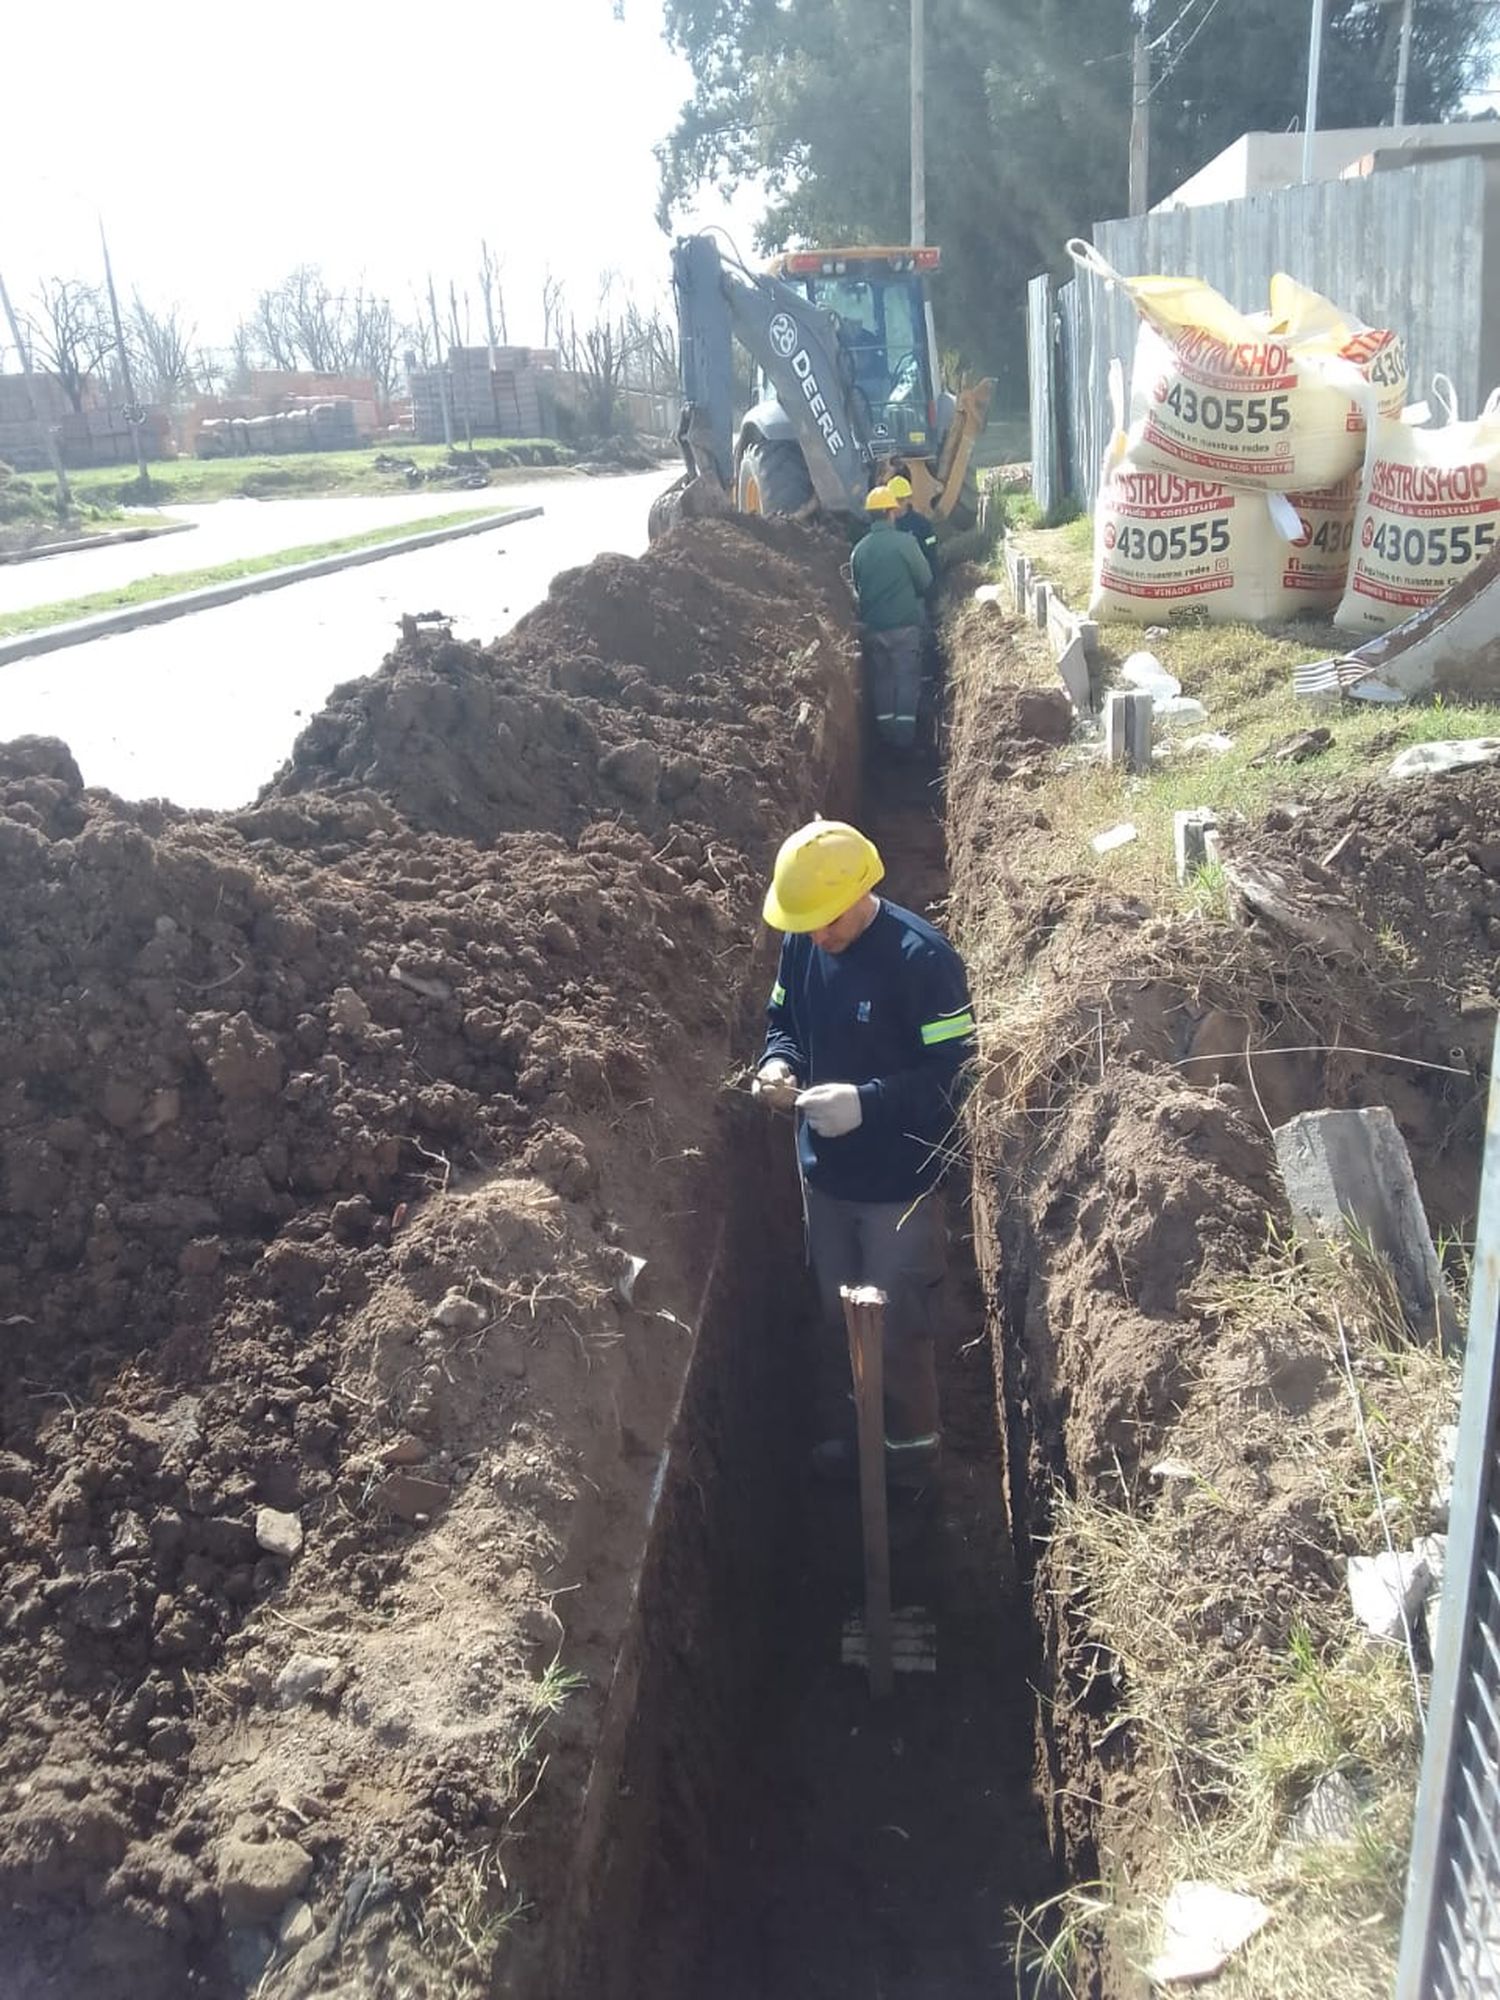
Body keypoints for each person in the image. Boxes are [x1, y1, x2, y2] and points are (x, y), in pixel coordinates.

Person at [752, 819, 977, 1487]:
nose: (816, 936)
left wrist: (869, 1102)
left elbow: (958, 1077)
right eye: (807, 924)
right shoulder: (803, 939)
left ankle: (910, 1478)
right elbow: (784, 1022)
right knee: (840, 1319)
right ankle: (861, 1446)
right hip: (826, 1183)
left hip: (898, 1190)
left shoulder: (924, 962)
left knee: (898, 1335)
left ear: (860, 893)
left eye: (826, 921)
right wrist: (777, 1065)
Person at [850, 486, 931, 751]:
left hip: (873, 628)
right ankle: (904, 739)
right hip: (905, 625)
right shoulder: (905, 543)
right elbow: (925, 579)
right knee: (906, 677)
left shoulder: (859, 551)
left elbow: (857, 588)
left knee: (883, 678)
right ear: (890, 512)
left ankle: (886, 734)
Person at [886, 473, 939, 580]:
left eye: (900, 500)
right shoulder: (885, 526)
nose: (896, 505)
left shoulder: (922, 524)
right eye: (893, 500)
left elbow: (931, 547)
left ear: (908, 499)